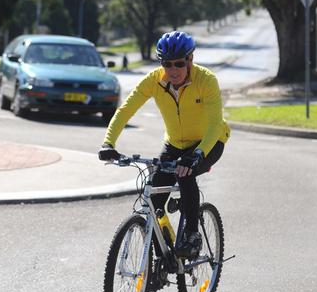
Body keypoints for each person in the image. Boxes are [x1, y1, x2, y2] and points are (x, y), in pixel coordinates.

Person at [98, 31, 230, 258]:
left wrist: (197, 154)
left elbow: (214, 125)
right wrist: (108, 143)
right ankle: (162, 256)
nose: (173, 70)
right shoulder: (154, 81)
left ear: (190, 59)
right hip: (174, 144)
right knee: (154, 201)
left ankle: (191, 235)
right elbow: (125, 110)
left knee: (185, 173)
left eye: (179, 63)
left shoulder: (206, 80)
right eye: (167, 64)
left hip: (209, 142)